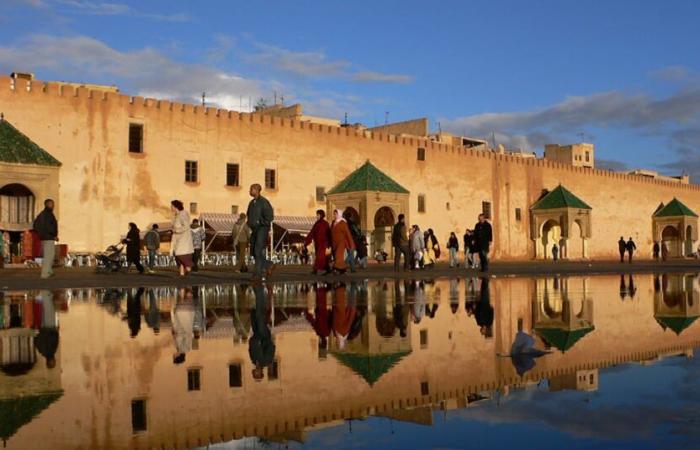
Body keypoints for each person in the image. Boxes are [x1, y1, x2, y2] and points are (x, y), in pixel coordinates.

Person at [246, 184, 275, 281]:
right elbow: (249, 214)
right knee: (253, 251)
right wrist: (249, 223)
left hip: (262, 228)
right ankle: (268, 264)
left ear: (257, 190)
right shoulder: (251, 203)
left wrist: (260, 222)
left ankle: (257, 274)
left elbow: (270, 216)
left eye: (252, 189)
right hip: (254, 229)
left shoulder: (264, 202)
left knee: (258, 250)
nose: (250, 191)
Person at [250, 282, 275, 381]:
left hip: (256, 334)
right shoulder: (266, 360)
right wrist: (263, 341)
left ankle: (259, 291)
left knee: (255, 314)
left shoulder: (253, 360)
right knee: (260, 316)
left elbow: (251, 349)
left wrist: (252, 341)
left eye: (254, 373)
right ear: (261, 372)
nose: (255, 371)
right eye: (257, 373)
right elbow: (271, 348)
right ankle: (260, 291)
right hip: (263, 335)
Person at [33, 199, 58, 279]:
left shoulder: (44, 214)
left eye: (53, 204)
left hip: (46, 237)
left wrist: (41, 234)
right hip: (48, 237)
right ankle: (45, 274)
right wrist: (53, 235)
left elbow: (36, 225)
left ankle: (49, 271)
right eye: (51, 204)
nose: (53, 205)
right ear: (47, 204)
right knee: (48, 256)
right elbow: (49, 227)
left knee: (50, 255)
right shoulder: (47, 214)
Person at [34, 290, 59, 369]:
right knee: (45, 310)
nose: (55, 360)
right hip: (43, 328)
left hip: (50, 328)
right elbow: (36, 341)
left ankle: (46, 295)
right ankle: (45, 296)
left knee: (49, 310)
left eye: (53, 362)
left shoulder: (50, 351)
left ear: (49, 362)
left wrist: (55, 332)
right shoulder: (42, 351)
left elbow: (54, 339)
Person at [170, 200, 194, 277]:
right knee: (177, 256)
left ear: (176, 206)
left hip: (183, 240)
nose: (171, 208)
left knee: (180, 255)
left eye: (172, 206)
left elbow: (186, 226)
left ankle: (187, 269)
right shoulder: (176, 215)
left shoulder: (182, 214)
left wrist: (176, 230)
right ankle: (181, 273)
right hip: (178, 240)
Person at [305, 209, 331, 275]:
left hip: (323, 243)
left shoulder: (325, 223)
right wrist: (307, 240)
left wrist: (329, 243)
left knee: (320, 257)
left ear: (321, 215)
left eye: (318, 215)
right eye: (317, 215)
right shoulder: (317, 223)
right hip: (317, 243)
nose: (317, 216)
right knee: (321, 257)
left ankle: (315, 269)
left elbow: (329, 234)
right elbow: (312, 232)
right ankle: (327, 269)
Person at [330, 209, 355, 275]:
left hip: (341, 242)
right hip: (334, 242)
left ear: (339, 214)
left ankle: (336, 269)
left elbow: (347, 233)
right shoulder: (333, 222)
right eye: (334, 214)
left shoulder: (343, 223)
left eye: (335, 214)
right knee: (336, 256)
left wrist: (351, 243)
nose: (334, 215)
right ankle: (343, 269)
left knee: (338, 255)